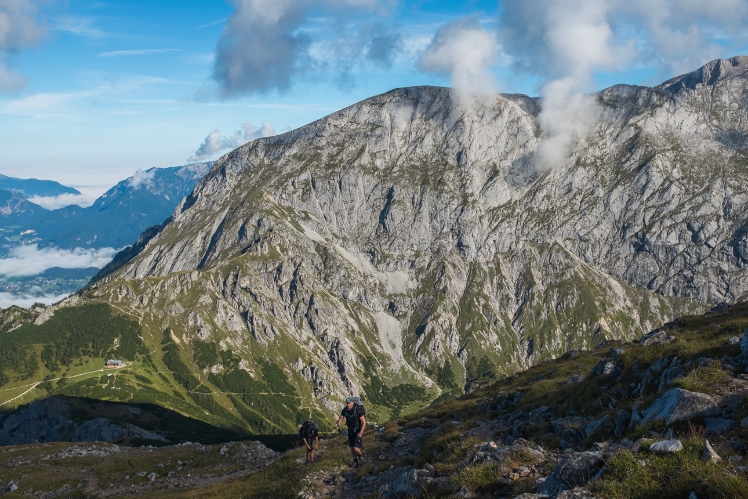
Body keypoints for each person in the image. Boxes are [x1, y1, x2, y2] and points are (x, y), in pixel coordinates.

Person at [336, 396, 366, 467]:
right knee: (352, 447)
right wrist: (339, 421)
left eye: (349, 403)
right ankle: (355, 461)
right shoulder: (345, 410)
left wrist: (361, 432)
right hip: (350, 430)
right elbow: (342, 416)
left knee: (355, 448)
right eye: (347, 403)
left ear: (353, 403)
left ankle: (360, 456)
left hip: (357, 430)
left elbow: (364, 422)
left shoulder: (358, 410)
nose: (348, 405)